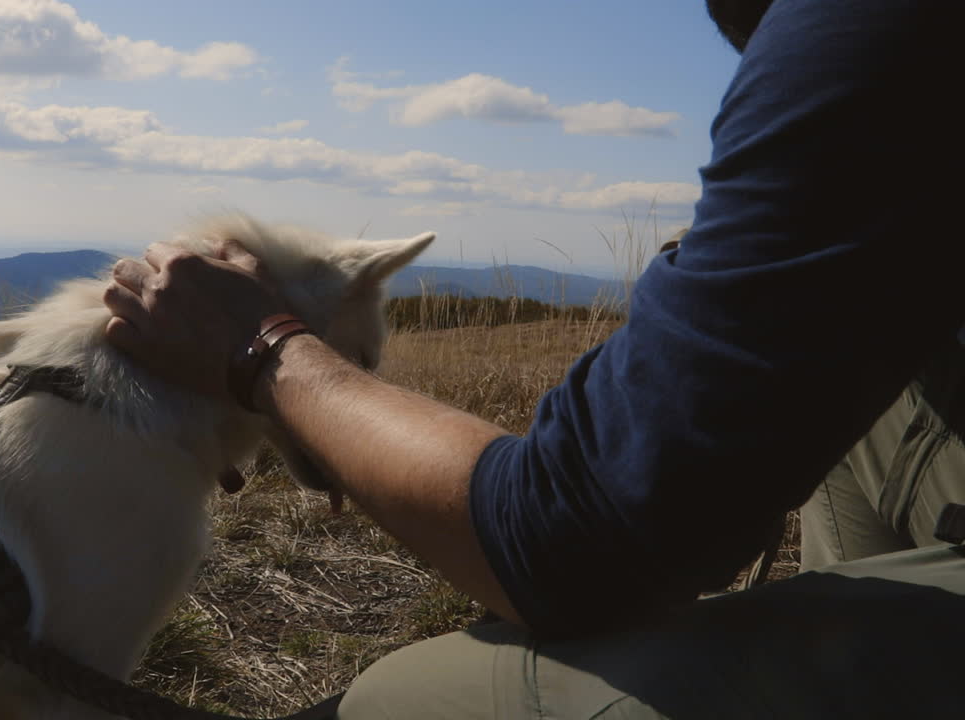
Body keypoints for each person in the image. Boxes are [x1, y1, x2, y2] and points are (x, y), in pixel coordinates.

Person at [103, 0, 965, 716]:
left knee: (405, 700)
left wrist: (266, 352)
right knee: (866, 376)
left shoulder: (876, 31)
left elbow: (569, 542)